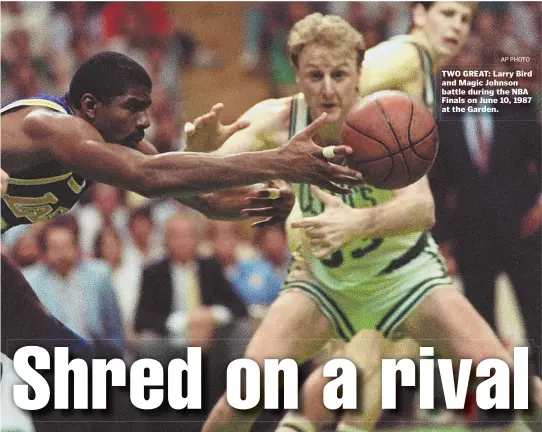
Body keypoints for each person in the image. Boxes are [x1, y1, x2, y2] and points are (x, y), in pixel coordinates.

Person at [198, 7, 541, 432]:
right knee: (241, 400)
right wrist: (202, 153)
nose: (327, 88)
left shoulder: (388, 114)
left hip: (404, 277)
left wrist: (355, 223)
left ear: (359, 72)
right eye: (314, 75)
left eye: (339, 75)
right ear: (297, 75)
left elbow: (422, 208)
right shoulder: (282, 117)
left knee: (514, 385)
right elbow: (183, 180)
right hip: (323, 281)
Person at [0, 50, 361, 361]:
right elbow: (147, 177)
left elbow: (205, 200)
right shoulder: (48, 125)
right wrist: (278, 160)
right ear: (91, 107)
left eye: (147, 108)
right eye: (132, 108)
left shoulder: (115, 142)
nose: (145, 121)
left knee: (71, 363)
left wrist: (274, 200)